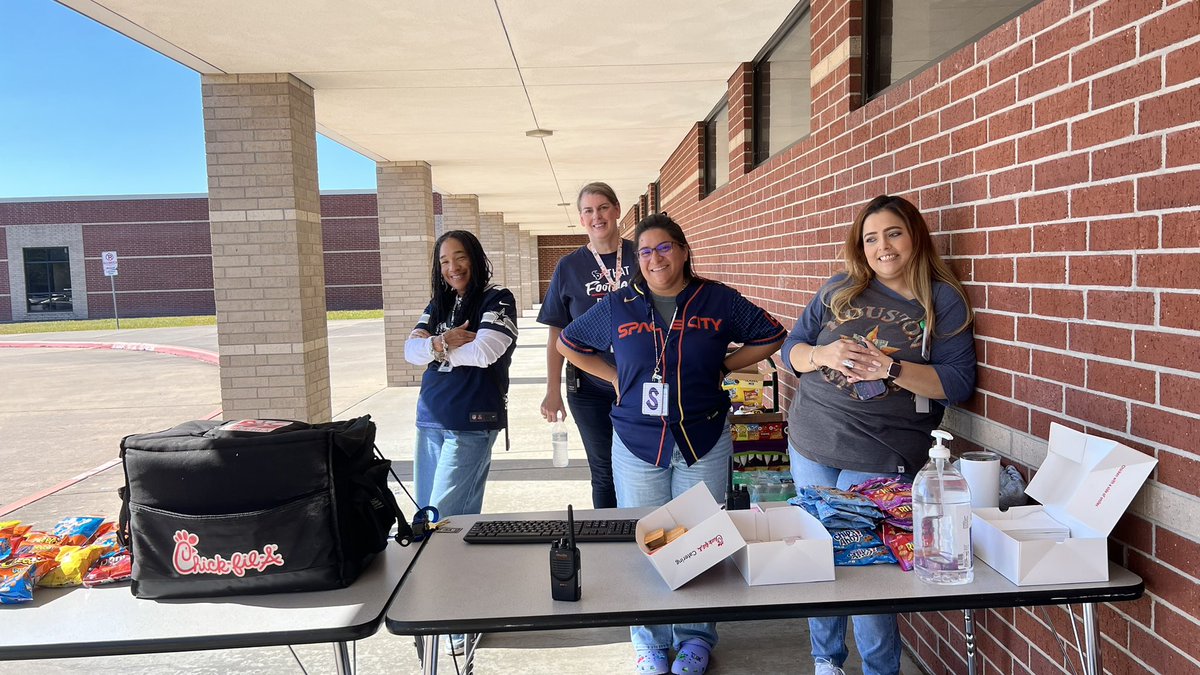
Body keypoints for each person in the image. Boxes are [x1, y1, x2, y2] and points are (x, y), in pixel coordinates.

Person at [558, 214, 785, 675]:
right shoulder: (620, 303)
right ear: (636, 260)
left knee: (699, 540)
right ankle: (649, 640)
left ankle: (696, 636)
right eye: (644, 251)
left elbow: (772, 334)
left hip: (702, 437)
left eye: (663, 248)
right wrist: (616, 376)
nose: (655, 258)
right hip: (638, 440)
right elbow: (570, 342)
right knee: (649, 539)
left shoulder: (716, 299)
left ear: (682, 251)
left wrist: (723, 365)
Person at [780, 195, 977, 675]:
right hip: (811, 436)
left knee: (867, 566)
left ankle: (879, 669)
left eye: (893, 233)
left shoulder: (940, 300)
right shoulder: (839, 290)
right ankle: (826, 661)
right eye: (871, 238)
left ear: (914, 238)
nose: (882, 246)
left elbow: (957, 384)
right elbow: (791, 350)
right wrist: (822, 356)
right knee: (817, 553)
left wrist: (890, 368)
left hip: (882, 448)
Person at [404, 230, 518, 657]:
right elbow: (407, 351)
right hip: (430, 419)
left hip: (471, 422)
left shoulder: (497, 299)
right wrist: (443, 343)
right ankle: (447, 608)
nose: (453, 267)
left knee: (448, 522)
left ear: (475, 258)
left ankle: (457, 619)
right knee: (430, 519)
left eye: (460, 257)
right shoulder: (438, 305)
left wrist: (434, 348)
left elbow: (487, 349)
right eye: (445, 260)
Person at [537, 182, 638, 508]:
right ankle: (610, 536)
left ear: (617, 210)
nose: (597, 216)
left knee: (643, 464)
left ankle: (644, 531)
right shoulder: (569, 267)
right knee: (604, 468)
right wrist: (552, 389)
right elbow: (557, 333)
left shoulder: (642, 255)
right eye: (589, 211)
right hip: (588, 387)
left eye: (604, 207)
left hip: (640, 381)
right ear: (581, 219)